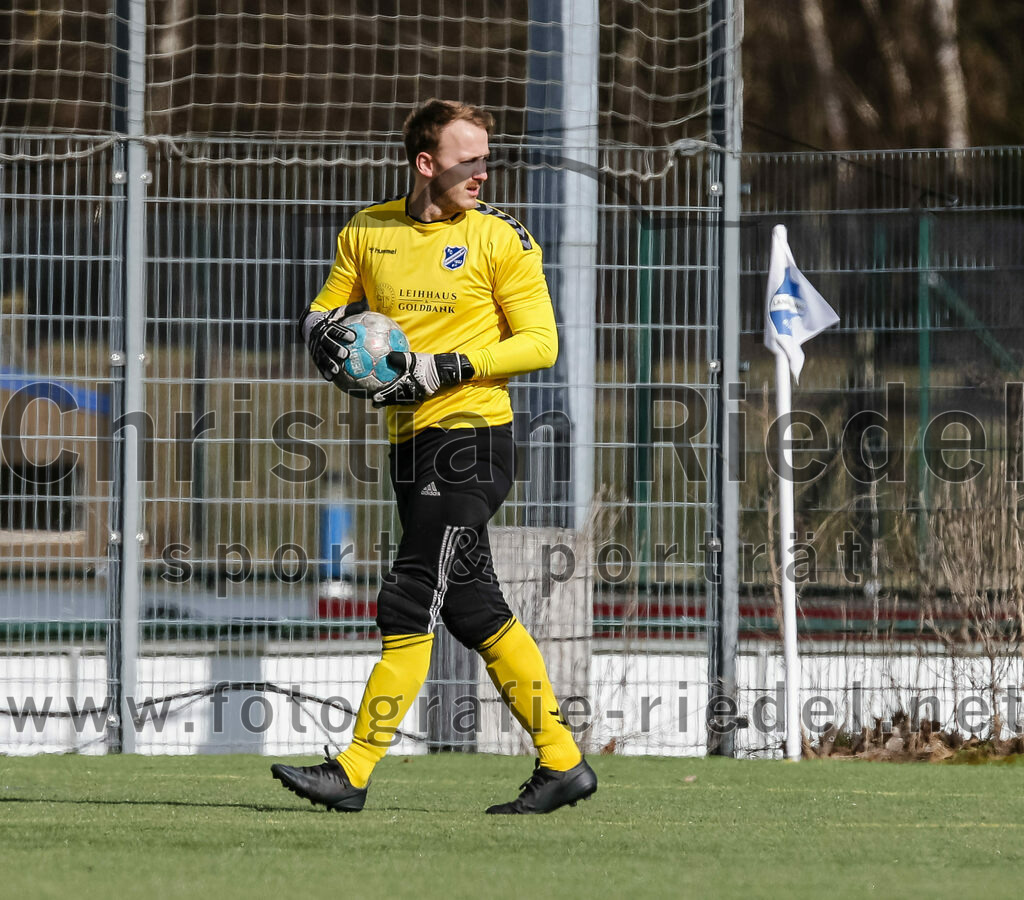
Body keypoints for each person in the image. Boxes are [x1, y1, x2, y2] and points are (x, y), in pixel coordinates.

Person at [271, 99, 596, 814]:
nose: (483, 171)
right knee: (475, 610)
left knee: (410, 594)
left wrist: (446, 367)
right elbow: (326, 309)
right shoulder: (368, 229)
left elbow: (541, 343)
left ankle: (351, 771)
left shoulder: (500, 239)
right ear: (426, 164)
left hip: (474, 442)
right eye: (467, 158)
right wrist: (323, 336)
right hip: (410, 445)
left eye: (487, 157)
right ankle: (564, 764)